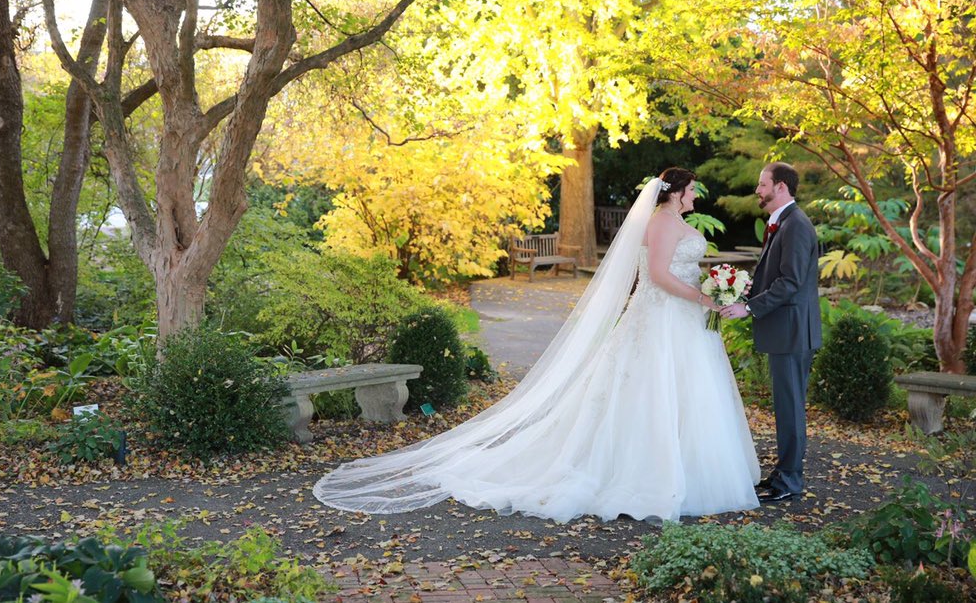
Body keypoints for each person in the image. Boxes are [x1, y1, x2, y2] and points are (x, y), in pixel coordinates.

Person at [314, 168, 760, 523]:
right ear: (676, 192)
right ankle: (648, 474)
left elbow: (677, 272)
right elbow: (660, 276)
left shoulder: (673, 221)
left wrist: (713, 288)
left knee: (685, 394)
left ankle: (690, 469)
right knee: (650, 391)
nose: (696, 196)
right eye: (692, 190)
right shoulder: (662, 222)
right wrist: (706, 296)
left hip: (680, 319)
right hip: (662, 319)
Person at [721, 162, 821, 503]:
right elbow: (777, 275)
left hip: (793, 332)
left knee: (791, 406)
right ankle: (782, 474)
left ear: (780, 187)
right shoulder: (784, 223)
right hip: (787, 330)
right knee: (786, 405)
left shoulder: (795, 226)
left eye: (762, 184)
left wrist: (748, 308)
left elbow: (790, 282)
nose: (757, 190)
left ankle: (790, 480)